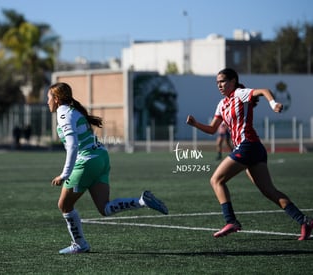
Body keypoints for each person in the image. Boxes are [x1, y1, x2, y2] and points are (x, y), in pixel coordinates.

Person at [186, 68, 312, 240]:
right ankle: (304, 221)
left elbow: (264, 91)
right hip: (253, 149)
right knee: (269, 191)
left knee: (216, 180)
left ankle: (231, 221)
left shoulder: (240, 93)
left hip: (248, 146)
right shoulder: (221, 104)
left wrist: (273, 104)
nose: (220, 85)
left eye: (223, 81)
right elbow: (212, 129)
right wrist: (195, 124)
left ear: (233, 81)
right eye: (217, 82)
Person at [47, 82, 168, 254]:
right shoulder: (73, 111)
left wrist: (64, 174)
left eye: (49, 98)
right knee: (105, 208)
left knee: (64, 205)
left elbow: (73, 146)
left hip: (87, 161)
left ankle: (80, 244)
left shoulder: (63, 113)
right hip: (101, 157)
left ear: (57, 99)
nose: (47, 102)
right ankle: (141, 201)